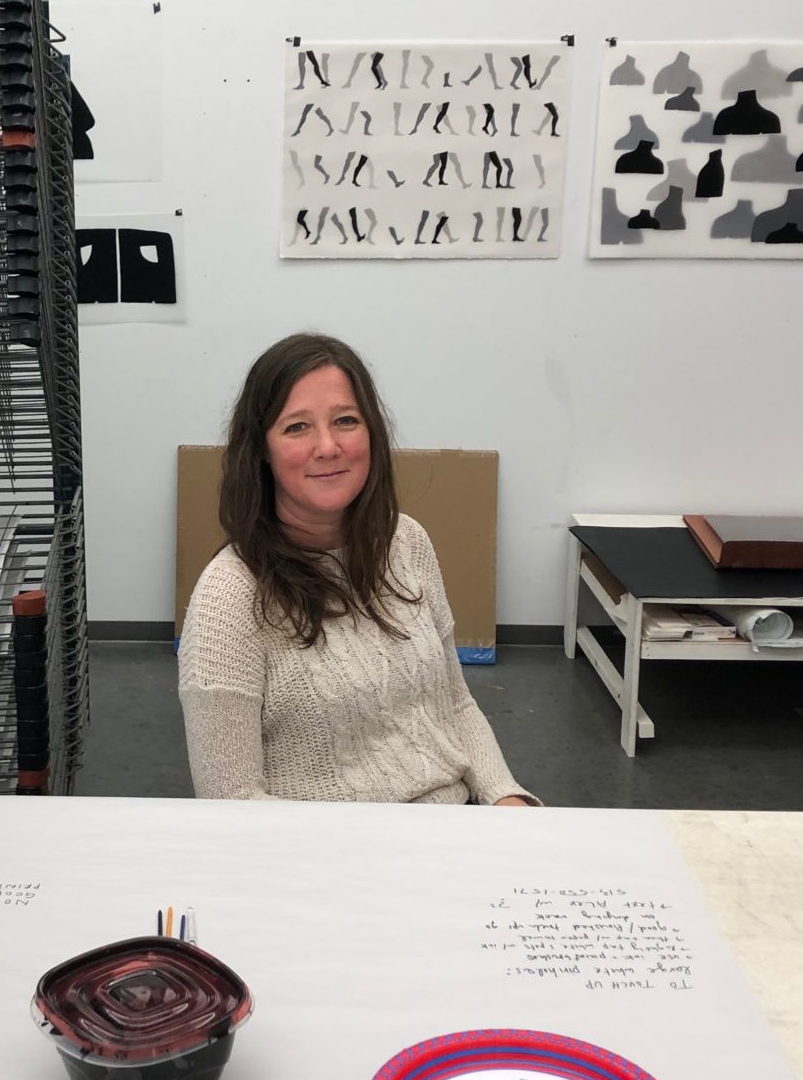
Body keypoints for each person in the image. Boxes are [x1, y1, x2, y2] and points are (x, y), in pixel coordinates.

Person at [179, 333, 539, 805]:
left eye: (345, 421)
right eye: (297, 427)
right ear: (262, 450)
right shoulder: (228, 596)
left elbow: (453, 702)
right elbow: (233, 803)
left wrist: (504, 797)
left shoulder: (406, 541)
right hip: (332, 862)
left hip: (456, 832)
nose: (327, 447)